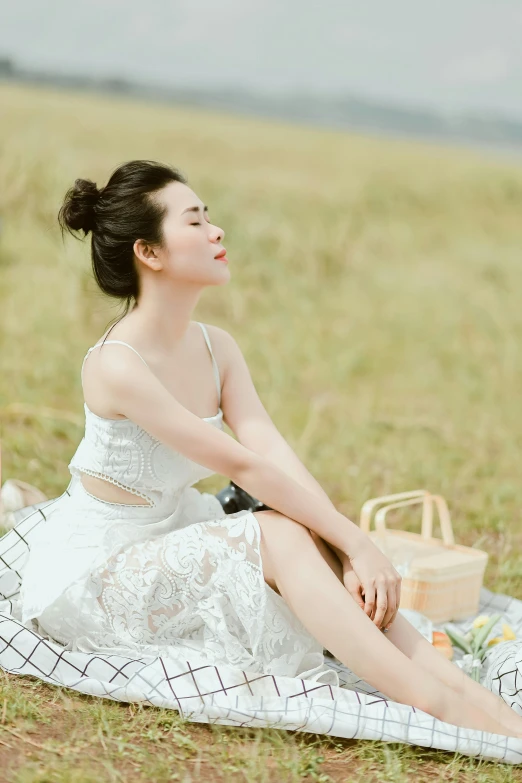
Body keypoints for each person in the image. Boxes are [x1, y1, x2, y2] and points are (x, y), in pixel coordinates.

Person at [15, 160, 522, 739]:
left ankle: (473, 697)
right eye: (194, 221)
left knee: (303, 528)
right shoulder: (117, 365)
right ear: (149, 253)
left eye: (211, 217)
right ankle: (437, 706)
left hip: (167, 538)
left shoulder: (217, 347)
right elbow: (242, 465)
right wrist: (357, 539)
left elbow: (274, 452)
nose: (216, 232)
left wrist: (347, 545)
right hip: (95, 573)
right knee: (279, 532)